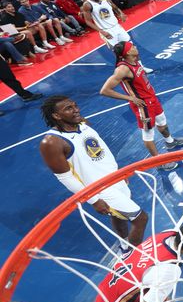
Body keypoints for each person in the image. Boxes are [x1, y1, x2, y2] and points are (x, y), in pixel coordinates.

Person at [39, 96, 148, 247]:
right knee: (140, 218)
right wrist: (93, 200)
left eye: (75, 105)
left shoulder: (82, 123)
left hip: (115, 179)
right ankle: (135, 257)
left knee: (119, 216)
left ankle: (124, 247)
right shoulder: (52, 142)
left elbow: (101, 151)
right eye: (68, 108)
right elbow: (65, 178)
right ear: (56, 116)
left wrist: (118, 173)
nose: (76, 110)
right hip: (99, 189)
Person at [100, 42, 183, 169]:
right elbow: (105, 90)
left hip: (152, 99)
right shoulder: (122, 69)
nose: (135, 47)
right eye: (132, 47)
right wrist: (130, 98)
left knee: (162, 121)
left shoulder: (135, 60)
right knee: (148, 134)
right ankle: (158, 162)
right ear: (128, 52)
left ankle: (170, 142)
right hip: (143, 105)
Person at [81, 0, 153, 73]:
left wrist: (121, 13)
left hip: (117, 27)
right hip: (106, 30)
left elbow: (115, 8)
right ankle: (123, 73)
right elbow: (88, 21)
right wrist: (102, 31)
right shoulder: (87, 5)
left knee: (131, 47)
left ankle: (141, 68)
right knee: (119, 53)